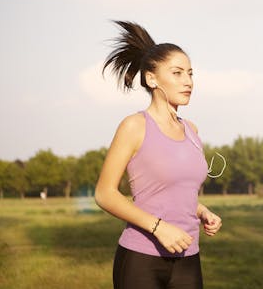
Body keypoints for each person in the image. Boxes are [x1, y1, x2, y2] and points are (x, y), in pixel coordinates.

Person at [95, 21, 222, 289]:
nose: (188, 81)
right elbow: (105, 194)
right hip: (141, 259)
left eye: (190, 73)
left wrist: (201, 211)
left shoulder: (192, 130)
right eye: (177, 73)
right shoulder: (134, 126)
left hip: (188, 257)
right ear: (151, 79)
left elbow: (172, 190)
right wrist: (159, 228)